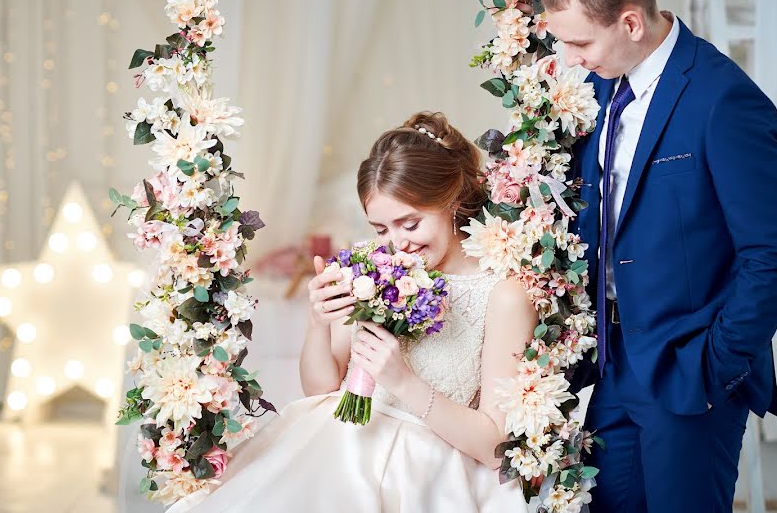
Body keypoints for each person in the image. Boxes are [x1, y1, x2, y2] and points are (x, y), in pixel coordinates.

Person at [542, 0, 777, 512]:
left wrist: (716, 364)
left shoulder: (724, 100)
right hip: (610, 369)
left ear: (631, 23)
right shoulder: (594, 89)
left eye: (580, 41)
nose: (570, 59)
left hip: (692, 375)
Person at [167, 111, 533, 512]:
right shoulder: (368, 264)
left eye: (410, 224)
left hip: (423, 476)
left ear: (454, 200)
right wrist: (318, 323)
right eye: (381, 229)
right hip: (333, 447)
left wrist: (403, 381)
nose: (397, 244)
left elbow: (497, 446)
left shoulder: (502, 293)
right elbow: (321, 389)